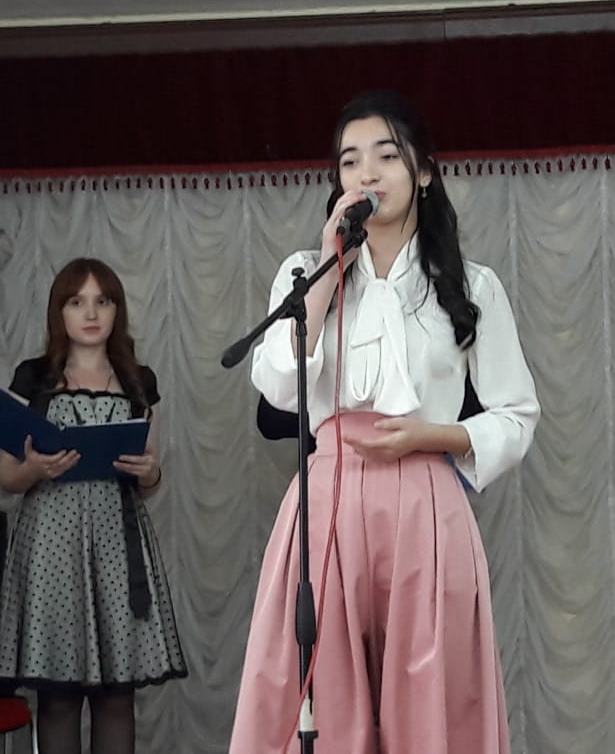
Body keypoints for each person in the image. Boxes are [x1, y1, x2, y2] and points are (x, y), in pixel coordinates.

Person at [230, 91, 540, 754]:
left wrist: (433, 437)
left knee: (428, 699)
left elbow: (516, 416)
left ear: (423, 171)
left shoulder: (471, 285)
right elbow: (279, 385)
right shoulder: (303, 273)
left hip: (425, 501)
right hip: (328, 499)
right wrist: (326, 269)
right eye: (349, 161)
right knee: (319, 695)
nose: (366, 173)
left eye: (386, 156)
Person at [0, 258, 187, 754]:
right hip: (51, 546)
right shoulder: (34, 377)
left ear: (117, 310)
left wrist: (150, 472)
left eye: (103, 301)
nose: (91, 312)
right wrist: (36, 468)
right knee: (58, 698)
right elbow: (7, 477)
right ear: (59, 312)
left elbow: (150, 477)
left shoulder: (139, 380)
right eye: (77, 301)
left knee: (116, 697)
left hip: (118, 544)